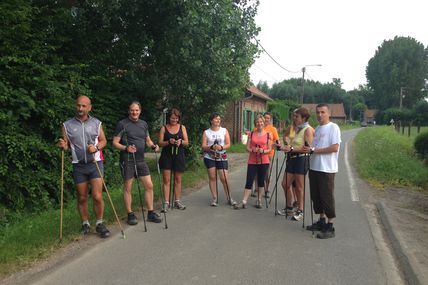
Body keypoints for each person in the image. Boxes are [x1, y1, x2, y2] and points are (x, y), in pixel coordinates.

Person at [58, 95, 110, 238]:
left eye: (83, 106)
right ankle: (85, 223)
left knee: (97, 196)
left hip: (95, 164)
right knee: (81, 197)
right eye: (78, 105)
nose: (80, 108)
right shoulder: (67, 125)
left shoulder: (96, 123)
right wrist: (63, 145)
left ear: (89, 107)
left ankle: (99, 223)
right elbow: (66, 144)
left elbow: (104, 140)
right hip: (79, 166)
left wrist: (96, 147)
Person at [112, 101, 162, 225]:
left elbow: (148, 140)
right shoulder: (122, 124)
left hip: (141, 160)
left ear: (140, 111)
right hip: (127, 160)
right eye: (132, 110)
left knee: (149, 186)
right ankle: (130, 214)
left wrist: (153, 146)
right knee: (128, 187)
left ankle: (150, 213)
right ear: (129, 111)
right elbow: (115, 142)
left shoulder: (143, 124)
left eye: (136, 110)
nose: (134, 112)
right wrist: (125, 148)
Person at [305, 104, 341, 239]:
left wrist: (315, 150)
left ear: (328, 113)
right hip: (314, 166)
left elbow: (334, 147)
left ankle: (330, 226)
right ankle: (321, 221)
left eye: (322, 112)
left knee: (327, 196)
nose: (320, 115)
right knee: (316, 196)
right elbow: (314, 146)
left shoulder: (334, 127)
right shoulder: (318, 129)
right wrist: (308, 148)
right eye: (318, 112)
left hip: (327, 168)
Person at [280, 107, 314, 221]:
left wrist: (292, 148)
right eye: (294, 116)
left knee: (299, 187)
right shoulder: (297, 128)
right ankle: (289, 207)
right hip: (292, 158)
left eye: (297, 116)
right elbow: (288, 140)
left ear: (304, 118)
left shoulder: (308, 129)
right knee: (285, 184)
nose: (294, 118)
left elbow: (307, 148)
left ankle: (301, 210)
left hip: (301, 159)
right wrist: (285, 146)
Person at [235, 114, 272, 209]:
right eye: (257, 122)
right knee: (249, 181)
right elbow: (247, 148)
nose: (259, 124)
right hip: (252, 160)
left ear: (264, 123)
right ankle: (244, 201)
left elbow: (269, 149)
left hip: (264, 161)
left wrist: (263, 151)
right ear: (255, 123)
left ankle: (259, 200)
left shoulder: (268, 134)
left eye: (261, 122)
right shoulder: (251, 134)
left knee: (260, 181)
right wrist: (253, 150)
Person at [201, 113, 237, 207]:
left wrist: (221, 147)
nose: (218, 120)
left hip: (221, 156)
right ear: (211, 120)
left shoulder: (224, 130)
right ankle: (214, 198)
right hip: (210, 157)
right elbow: (203, 146)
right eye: (216, 119)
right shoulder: (206, 132)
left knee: (224, 178)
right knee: (212, 177)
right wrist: (211, 146)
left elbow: (228, 144)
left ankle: (229, 198)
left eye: (219, 119)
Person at [158, 108, 189, 212]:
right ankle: (166, 202)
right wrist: (168, 142)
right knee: (166, 179)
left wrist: (180, 142)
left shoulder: (182, 127)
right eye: (172, 118)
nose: (174, 120)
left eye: (176, 118)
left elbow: (186, 142)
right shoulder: (164, 128)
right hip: (167, 155)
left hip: (179, 155)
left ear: (178, 118)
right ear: (169, 118)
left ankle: (177, 201)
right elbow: (160, 143)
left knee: (177, 179)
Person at [261, 112, 280, 198]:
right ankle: (257, 189)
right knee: (258, 171)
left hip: (269, 153)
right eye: (265, 117)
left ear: (270, 119)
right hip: (258, 153)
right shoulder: (258, 127)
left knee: (267, 173)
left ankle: (267, 189)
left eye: (268, 118)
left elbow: (277, 140)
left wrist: (277, 145)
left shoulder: (273, 129)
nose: (266, 119)